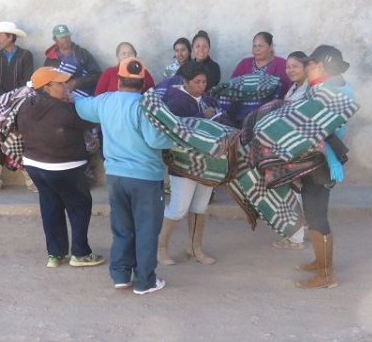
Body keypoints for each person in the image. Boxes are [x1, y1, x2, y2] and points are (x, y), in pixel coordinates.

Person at [75, 57, 174, 295]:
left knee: (122, 227)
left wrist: (68, 93)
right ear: (142, 83)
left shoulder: (105, 101)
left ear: (118, 80)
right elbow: (154, 140)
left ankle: (120, 275)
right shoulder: (145, 106)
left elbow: (80, 107)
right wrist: (174, 139)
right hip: (145, 178)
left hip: (116, 177)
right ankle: (145, 281)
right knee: (147, 230)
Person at [18, 67, 105, 268]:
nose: (65, 86)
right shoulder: (65, 110)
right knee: (79, 206)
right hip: (66, 168)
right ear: (46, 87)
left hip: (34, 167)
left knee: (50, 206)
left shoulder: (26, 105)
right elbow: (89, 123)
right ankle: (81, 254)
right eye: (59, 83)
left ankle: (55, 255)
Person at [295, 45, 354, 289]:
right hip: (315, 160)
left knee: (318, 217)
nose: (306, 67)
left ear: (320, 66)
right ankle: (320, 261)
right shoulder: (324, 89)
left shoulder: (329, 93)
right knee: (313, 214)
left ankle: (326, 274)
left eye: (309, 64)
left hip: (322, 163)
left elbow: (329, 128)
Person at [157, 61, 219, 266]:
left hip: (206, 163)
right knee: (178, 208)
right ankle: (160, 248)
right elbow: (178, 131)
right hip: (183, 164)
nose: (202, 85)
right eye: (197, 82)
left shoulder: (207, 99)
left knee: (200, 207)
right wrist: (204, 117)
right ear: (185, 81)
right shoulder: (175, 102)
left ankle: (195, 248)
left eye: (204, 81)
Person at [0, 21, 37, 194]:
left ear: (10, 37)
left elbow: (27, 81)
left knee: (22, 141)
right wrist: (4, 100)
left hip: (21, 106)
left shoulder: (26, 56)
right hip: (0, 106)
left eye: (0, 36)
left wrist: (13, 100)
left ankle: (31, 181)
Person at [271, 51, 309, 250]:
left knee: (296, 191)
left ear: (305, 67)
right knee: (295, 189)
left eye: (295, 66)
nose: (290, 70)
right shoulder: (294, 88)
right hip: (288, 145)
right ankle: (298, 233)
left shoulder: (309, 89)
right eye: (288, 67)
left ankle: (296, 238)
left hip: (298, 146)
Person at [227, 32, 292, 127]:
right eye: (254, 46)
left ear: (271, 47)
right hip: (241, 117)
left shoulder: (282, 64)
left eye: (260, 46)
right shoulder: (244, 64)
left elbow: (286, 91)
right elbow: (232, 86)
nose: (257, 49)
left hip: (269, 118)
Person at [43, 24, 101, 95]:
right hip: (60, 97)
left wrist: (76, 82)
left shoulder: (82, 53)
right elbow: (45, 80)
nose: (66, 39)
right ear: (55, 39)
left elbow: (97, 75)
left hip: (83, 95)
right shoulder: (50, 58)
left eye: (67, 36)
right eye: (62, 37)